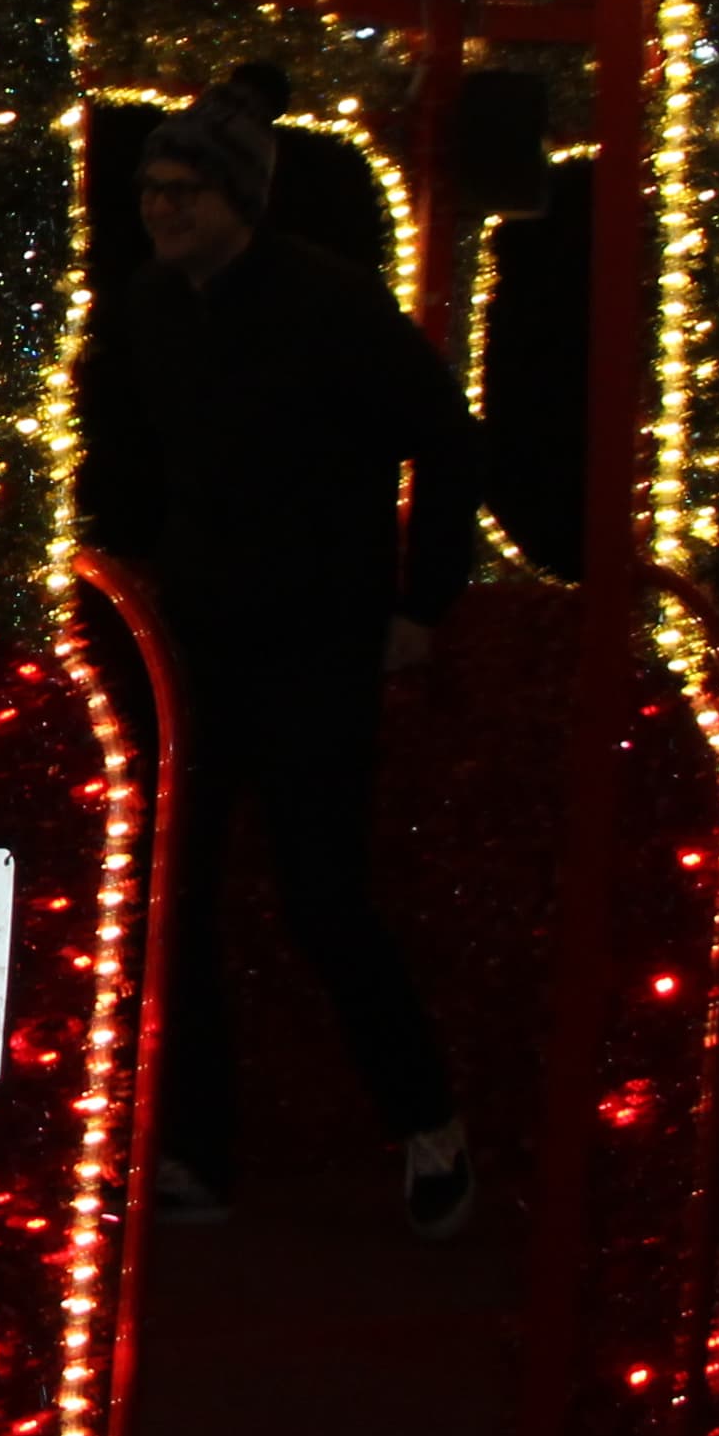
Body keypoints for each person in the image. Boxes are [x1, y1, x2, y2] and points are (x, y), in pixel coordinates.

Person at [88, 85, 486, 1239]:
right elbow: (131, 465)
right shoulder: (148, 309)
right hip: (196, 644)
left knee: (324, 897)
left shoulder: (330, 302)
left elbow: (448, 444)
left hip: (317, 640)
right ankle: (196, 1150)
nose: (163, 208)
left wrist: (423, 605)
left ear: (241, 199)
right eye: (151, 190)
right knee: (176, 901)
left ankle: (430, 1125)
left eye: (185, 190)